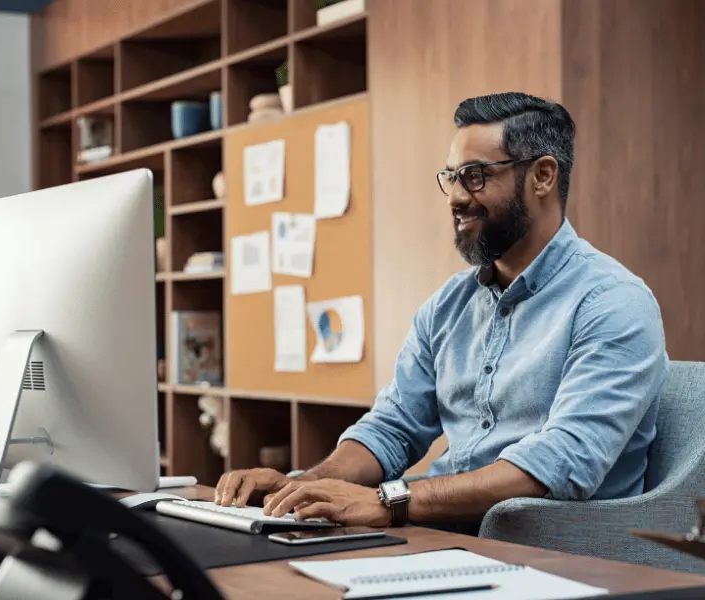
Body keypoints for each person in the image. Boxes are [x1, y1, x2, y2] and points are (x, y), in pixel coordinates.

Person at [215, 92, 668, 533]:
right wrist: (304, 486)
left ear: (543, 176)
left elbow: (562, 462)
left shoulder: (613, 302)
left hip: (555, 555)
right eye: (450, 177)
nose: (454, 196)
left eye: (474, 176)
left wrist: (390, 502)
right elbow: (393, 427)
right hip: (443, 536)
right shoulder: (448, 306)